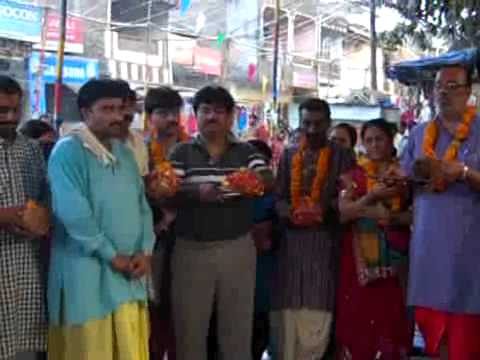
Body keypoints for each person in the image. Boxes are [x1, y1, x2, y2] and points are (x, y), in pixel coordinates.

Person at [47, 79, 155, 360]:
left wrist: (145, 251)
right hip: (86, 276)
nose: (118, 116)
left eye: (121, 109)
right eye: (107, 109)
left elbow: (142, 207)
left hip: (130, 274)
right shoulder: (68, 151)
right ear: (85, 113)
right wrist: (111, 255)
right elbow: (74, 214)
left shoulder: (125, 153)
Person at [168, 85, 273, 360]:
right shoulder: (181, 152)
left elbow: (268, 179)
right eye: (205, 110)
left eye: (218, 111)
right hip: (191, 250)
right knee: (190, 329)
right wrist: (195, 193)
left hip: (237, 248)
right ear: (195, 115)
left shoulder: (247, 151)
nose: (211, 116)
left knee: (237, 329)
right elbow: (166, 191)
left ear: (230, 116)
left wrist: (251, 183)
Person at [401, 65, 480, 360]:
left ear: (468, 91)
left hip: (471, 257)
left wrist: (463, 172)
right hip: (429, 255)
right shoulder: (420, 133)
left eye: (452, 86)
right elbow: (403, 184)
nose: (443, 93)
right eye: (438, 87)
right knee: (436, 345)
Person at [271, 98, 354, 360]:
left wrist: (323, 210)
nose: (312, 129)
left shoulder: (343, 156)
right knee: (287, 311)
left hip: (324, 243)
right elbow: (278, 197)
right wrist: (291, 213)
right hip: (291, 245)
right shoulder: (288, 155)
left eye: (318, 124)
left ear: (328, 124)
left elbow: (349, 194)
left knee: (318, 308)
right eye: (306, 123)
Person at [336, 119, 412, 360]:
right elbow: (344, 214)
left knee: (391, 320)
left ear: (391, 142)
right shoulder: (352, 177)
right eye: (368, 140)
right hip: (359, 263)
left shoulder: (405, 176)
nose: (374, 144)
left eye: (379, 139)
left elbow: (416, 214)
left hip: (395, 261)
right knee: (358, 320)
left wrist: (391, 217)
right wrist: (372, 198)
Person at [0, 76, 49, 360]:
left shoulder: (30, 149)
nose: (9, 118)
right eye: (1, 111)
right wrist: (5, 215)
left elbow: (46, 197)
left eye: (14, 111)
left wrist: (41, 217)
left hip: (26, 268)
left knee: (24, 348)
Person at [144, 86, 186, 360]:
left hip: (188, 237)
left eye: (175, 112)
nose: (171, 118)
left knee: (182, 306)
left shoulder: (192, 149)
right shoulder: (138, 150)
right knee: (153, 304)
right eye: (163, 113)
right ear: (150, 117)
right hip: (151, 238)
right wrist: (159, 218)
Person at [117, 81, 149, 177]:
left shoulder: (139, 141)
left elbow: (142, 177)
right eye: (122, 107)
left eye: (130, 106)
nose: (127, 112)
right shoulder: (100, 142)